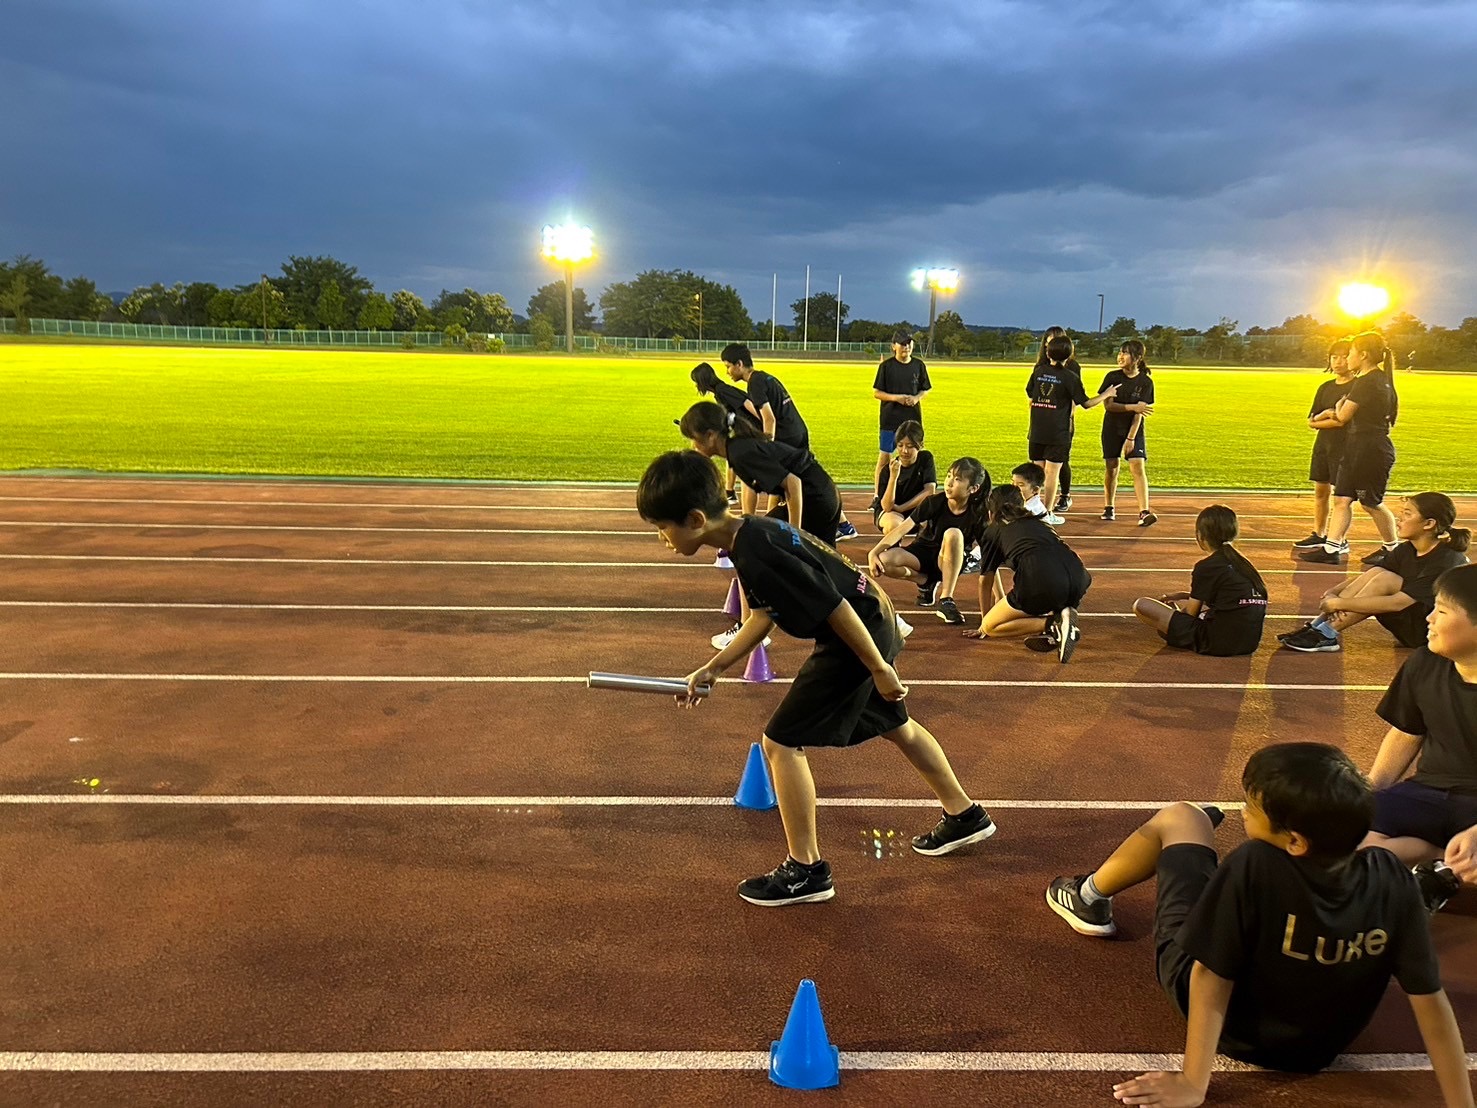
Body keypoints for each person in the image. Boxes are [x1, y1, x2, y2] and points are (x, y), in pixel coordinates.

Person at [637, 450, 997, 906]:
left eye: (662, 528)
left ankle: (806, 870)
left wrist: (879, 668)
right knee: (896, 725)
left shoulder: (757, 551)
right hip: (869, 623)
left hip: (855, 635)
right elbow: (763, 615)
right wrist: (716, 667)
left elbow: (834, 606)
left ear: (693, 518)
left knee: (780, 742)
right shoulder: (751, 536)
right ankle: (965, 815)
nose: (662, 539)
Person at [1044, 742, 1473, 1108]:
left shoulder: (1255, 864)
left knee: (1181, 817)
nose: (1245, 812)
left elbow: (1209, 974)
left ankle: (1088, 896)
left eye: (1252, 808)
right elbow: (1431, 1001)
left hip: (1237, 1031)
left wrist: (1194, 1083)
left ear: (1295, 840)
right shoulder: (1390, 874)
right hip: (1321, 1047)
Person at [1360, 564, 1477, 916]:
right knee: (1338, 835)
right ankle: (1438, 859)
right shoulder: (1424, 663)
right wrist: (1369, 788)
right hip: (1427, 794)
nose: (1428, 618)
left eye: (1440, 611)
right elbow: (1407, 733)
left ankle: (1445, 867)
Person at [679, 401, 842, 649]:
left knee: (748, 548)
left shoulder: (741, 452)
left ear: (711, 436)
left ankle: (750, 628)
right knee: (825, 565)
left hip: (814, 497)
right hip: (821, 492)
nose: (693, 445)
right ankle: (879, 615)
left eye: (694, 439)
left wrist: (792, 534)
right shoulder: (737, 449)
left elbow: (794, 483)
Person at [1281, 493, 1470, 653]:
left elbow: (1398, 603)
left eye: (1407, 514)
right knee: (1379, 572)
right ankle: (1317, 627)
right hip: (1417, 621)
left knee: (1385, 579)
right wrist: (1333, 592)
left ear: (1428, 523)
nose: (1399, 520)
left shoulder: (1445, 561)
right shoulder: (1406, 550)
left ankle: (1328, 633)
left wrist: (1339, 602)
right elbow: (1370, 575)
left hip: (1434, 632)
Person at [721, 341, 860, 541]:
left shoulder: (755, 383)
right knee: (799, 481)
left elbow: (769, 417)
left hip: (788, 437)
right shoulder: (766, 377)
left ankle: (785, 530)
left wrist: (766, 445)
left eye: (728, 366)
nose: (727, 372)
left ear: (739, 364)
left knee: (787, 482)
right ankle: (843, 524)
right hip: (798, 432)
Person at [1302, 330, 1401, 566]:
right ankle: (1332, 548)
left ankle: (1393, 550)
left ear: (1363, 355)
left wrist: (1334, 408)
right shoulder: (1377, 379)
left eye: (1352, 353)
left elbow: (1343, 415)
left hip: (1369, 449)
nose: (1347, 359)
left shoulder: (1368, 382)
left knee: (1371, 502)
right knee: (1342, 498)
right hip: (1358, 447)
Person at [963, 485, 1093, 663]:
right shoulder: (1039, 521)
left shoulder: (994, 530)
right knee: (1046, 592)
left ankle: (1052, 625)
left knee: (991, 627)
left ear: (990, 511)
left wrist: (984, 623)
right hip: (1079, 577)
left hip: (1041, 581)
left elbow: (986, 579)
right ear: (1022, 504)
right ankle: (1062, 615)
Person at [1132, 505, 1268, 656]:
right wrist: (1185, 596)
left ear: (1200, 536)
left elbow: (1191, 615)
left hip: (1218, 644)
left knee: (1142, 605)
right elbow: (1230, 600)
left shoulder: (1207, 566)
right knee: (1197, 616)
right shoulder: (1245, 566)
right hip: (1249, 644)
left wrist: (1175, 615)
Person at [869, 457, 990, 626]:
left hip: (950, 561)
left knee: (953, 534)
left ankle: (946, 599)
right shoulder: (934, 502)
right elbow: (902, 529)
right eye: (948, 476)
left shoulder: (978, 513)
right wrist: (874, 552)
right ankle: (925, 582)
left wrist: (998, 597)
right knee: (885, 561)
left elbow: (990, 554)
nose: (949, 483)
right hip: (923, 554)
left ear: (973, 488)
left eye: (957, 479)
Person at [1026, 334, 1117, 524]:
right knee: (1052, 472)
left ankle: (1031, 510)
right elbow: (1086, 403)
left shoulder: (1039, 371)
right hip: (1058, 431)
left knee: (1036, 473)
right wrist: (1106, 394)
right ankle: (1047, 513)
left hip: (1036, 429)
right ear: (1069, 355)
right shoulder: (1070, 377)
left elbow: (1030, 392)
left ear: (1048, 352)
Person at [1291, 339, 1357, 554]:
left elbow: (1341, 421)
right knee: (1321, 491)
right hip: (1323, 445)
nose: (1339, 362)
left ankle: (1340, 538)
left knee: (1342, 496)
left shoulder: (1357, 387)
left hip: (1346, 447)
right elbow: (1311, 421)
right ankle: (1319, 533)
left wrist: (1326, 420)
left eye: (1344, 356)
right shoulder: (1325, 387)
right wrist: (1325, 416)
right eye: (1334, 357)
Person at [869, 332, 932, 514]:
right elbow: (877, 392)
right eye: (902, 344)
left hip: (912, 420)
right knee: (885, 457)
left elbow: (925, 389)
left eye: (909, 343)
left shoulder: (918, 365)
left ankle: (915, 495)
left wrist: (916, 397)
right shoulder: (886, 367)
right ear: (894, 346)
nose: (906, 347)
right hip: (890, 419)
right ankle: (877, 495)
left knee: (914, 457)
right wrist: (896, 398)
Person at [1099, 339, 1157, 527]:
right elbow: (1109, 406)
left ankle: (1144, 511)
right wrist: (1133, 406)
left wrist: (1131, 438)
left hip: (1134, 430)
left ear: (1137, 357)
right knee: (1112, 466)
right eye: (1120, 352)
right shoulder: (1112, 377)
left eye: (1125, 353)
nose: (1120, 356)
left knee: (1137, 467)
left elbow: (1139, 414)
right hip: (1111, 428)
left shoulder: (1145, 382)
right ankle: (1109, 506)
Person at [690, 361, 760, 502]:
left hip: (751, 430)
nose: (696, 386)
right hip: (744, 429)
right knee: (731, 456)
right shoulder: (719, 392)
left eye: (696, 381)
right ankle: (729, 491)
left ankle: (728, 492)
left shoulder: (723, 390)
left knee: (741, 465)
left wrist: (764, 421)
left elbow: (748, 403)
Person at [1034, 326, 1080, 514]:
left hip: (1062, 420)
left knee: (1061, 462)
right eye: (1048, 339)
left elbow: (1076, 396)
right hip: (1042, 421)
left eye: (1054, 339)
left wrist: (1069, 416)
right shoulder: (1040, 367)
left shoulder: (1072, 367)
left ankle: (1064, 496)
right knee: (1039, 465)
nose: (1049, 342)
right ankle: (1039, 507)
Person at [873, 420, 937, 533]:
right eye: (900, 445)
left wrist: (903, 507)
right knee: (893, 524)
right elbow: (887, 506)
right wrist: (893, 477)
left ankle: (921, 548)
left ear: (920, 445)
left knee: (935, 521)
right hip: (892, 512)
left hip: (916, 509)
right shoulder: (888, 470)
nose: (904, 451)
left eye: (910, 446)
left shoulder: (925, 459)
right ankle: (893, 549)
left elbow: (930, 490)